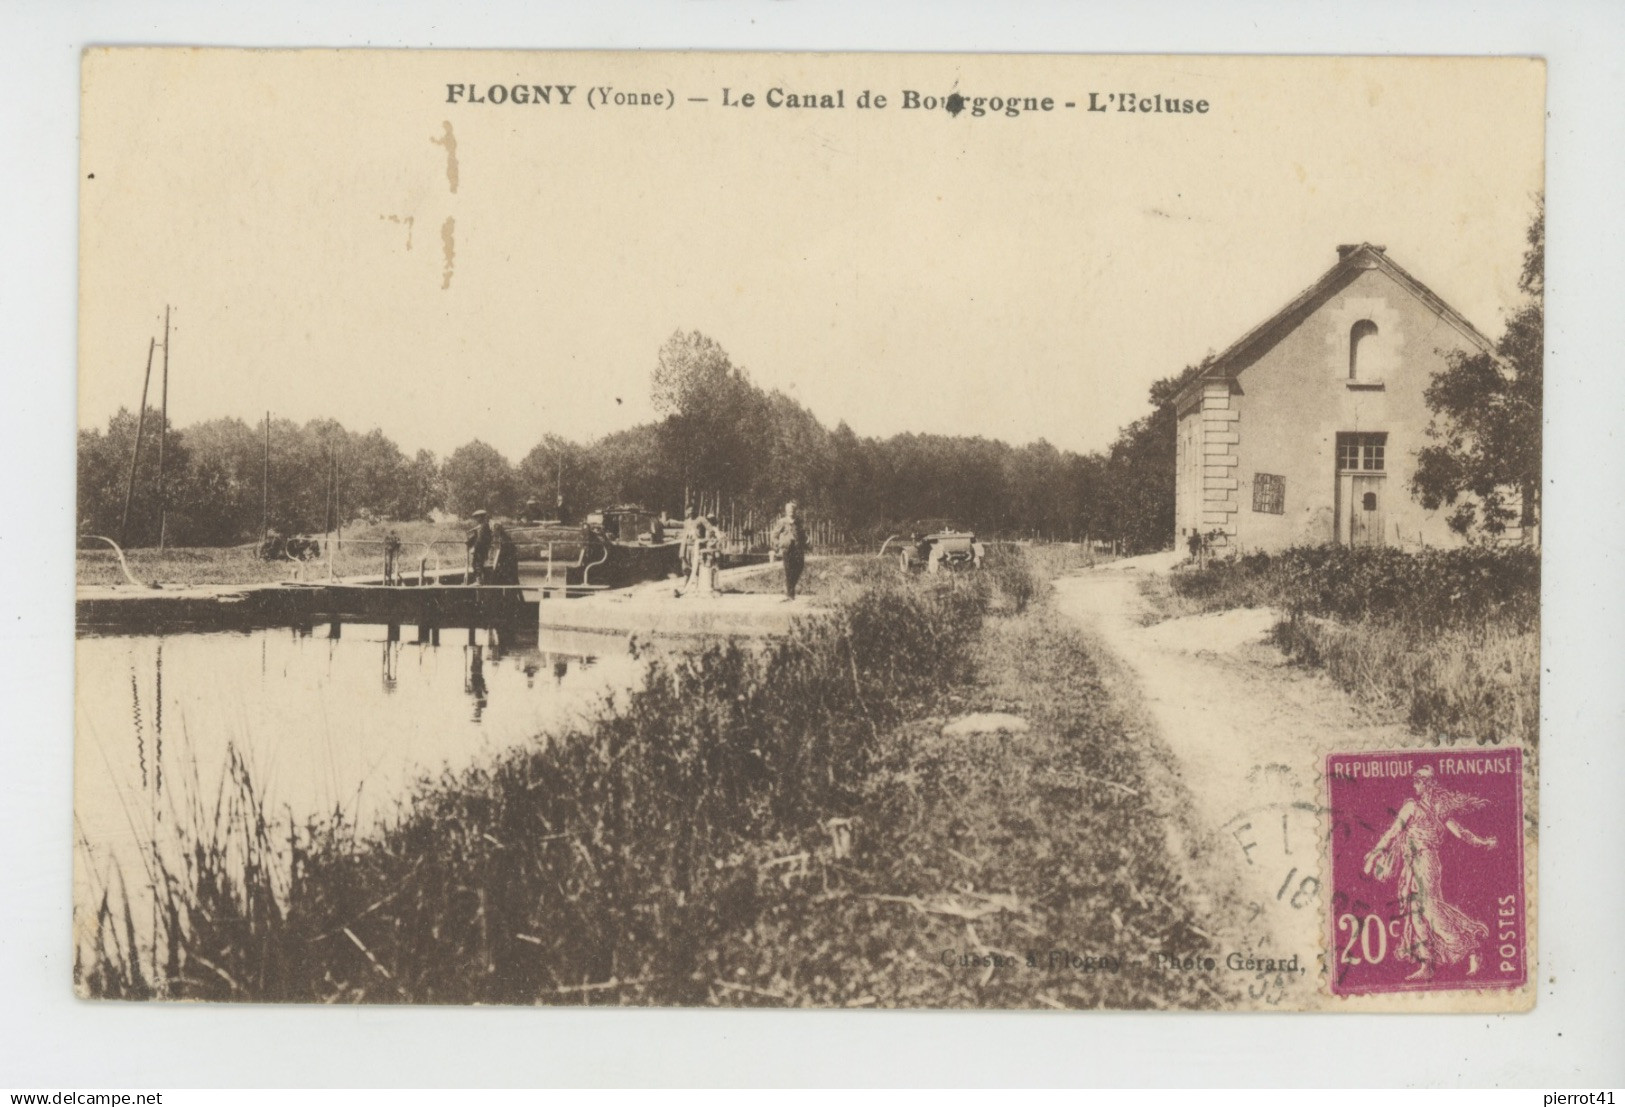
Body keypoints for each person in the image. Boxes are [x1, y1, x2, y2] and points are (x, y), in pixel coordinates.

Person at [1362, 766, 1498, 980]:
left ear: (1426, 785)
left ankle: (1469, 948)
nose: (1415, 786)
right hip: (1411, 864)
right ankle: (1427, 964)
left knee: (1429, 908)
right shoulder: (1415, 807)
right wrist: (1376, 852)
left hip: (1425, 861)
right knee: (1414, 912)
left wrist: (1482, 843)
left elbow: (1458, 832)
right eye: (1415, 782)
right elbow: (1394, 832)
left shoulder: (1425, 808)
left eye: (1418, 782)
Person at [771, 500, 809, 601]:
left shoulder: (798, 521)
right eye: (789, 510)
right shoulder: (782, 522)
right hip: (787, 549)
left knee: (799, 566)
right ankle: (790, 594)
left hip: (798, 549)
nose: (791, 512)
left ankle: (790, 589)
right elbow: (774, 535)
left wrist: (806, 541)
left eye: (793, 510)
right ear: (786, 511)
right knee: (789, 571)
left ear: (795, 511)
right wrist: (778, 544)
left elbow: (802, 534)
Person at [466, 509, 493, 584]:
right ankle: (479, 580)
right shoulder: (481, 526)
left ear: (481, 517)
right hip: (481, 548)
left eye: (477, 517)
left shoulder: (484, 526)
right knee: (477, 563)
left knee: (477, 564)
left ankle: (479, 581)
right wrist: (469, 542)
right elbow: (476, 536)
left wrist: (474, 548)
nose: (476, 519)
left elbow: (480, 539)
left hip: (481, 549)